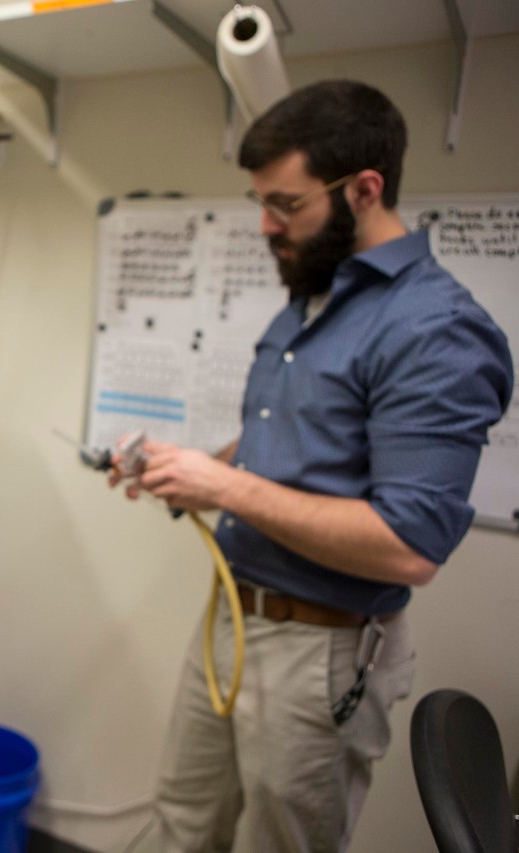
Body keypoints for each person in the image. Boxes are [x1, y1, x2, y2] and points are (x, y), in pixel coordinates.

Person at [110, 80, 513, 853]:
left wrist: (222, 485)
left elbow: (411, 544)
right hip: (231, 620)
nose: (266, 225)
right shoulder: (311, 300)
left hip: (320, 650)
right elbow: (282, 450)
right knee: (179, 825)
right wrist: (185, 466)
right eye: (262, 202)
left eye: (286, 205)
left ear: (365, 189)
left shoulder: (436, 328)